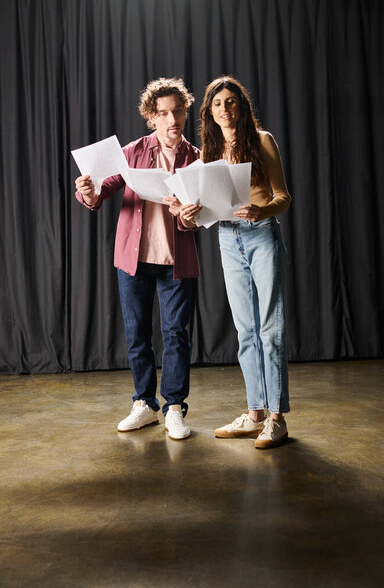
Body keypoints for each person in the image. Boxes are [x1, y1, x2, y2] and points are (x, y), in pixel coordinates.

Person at [75, 78, 201, 440]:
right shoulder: (132, 151)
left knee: (176, 334)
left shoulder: (195, 157)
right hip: (133, 261)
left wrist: (188, 214)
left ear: (185, 112)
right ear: (151, 117)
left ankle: (174, 407)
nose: (171, 119)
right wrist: (88, 191)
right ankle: (144, 403)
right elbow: (102, 191)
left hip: (177, 260)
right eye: (163, 113)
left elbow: (201, 217)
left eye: (177, 111)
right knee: (137, 334)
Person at [198, 76, 291, 448]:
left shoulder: (262, 140)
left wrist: (262, 208)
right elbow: (205, 206)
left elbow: (284, 196)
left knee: (271, 328)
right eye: (218, 103)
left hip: (262, 233)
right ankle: (254, 414)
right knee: (246, 331)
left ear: (242, 105)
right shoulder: (209, 149)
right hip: (227, 236)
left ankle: (277, 418)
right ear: (210, 111)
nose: (225, 109)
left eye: (231, 101)